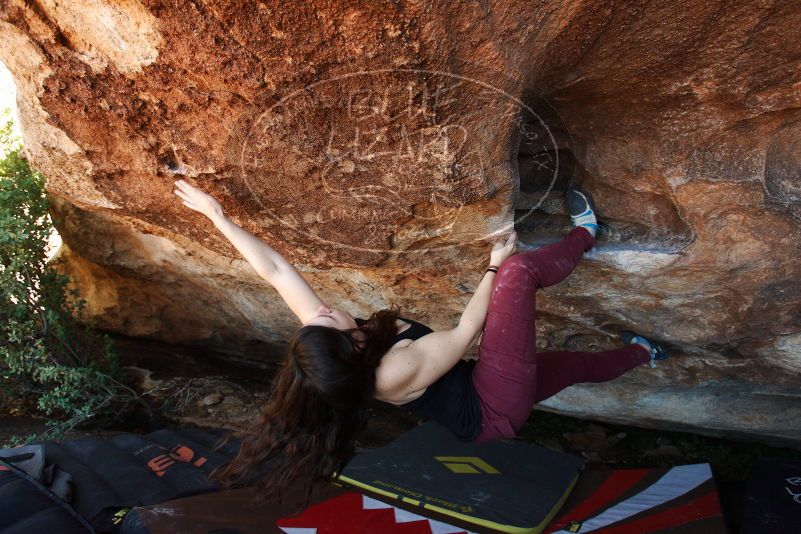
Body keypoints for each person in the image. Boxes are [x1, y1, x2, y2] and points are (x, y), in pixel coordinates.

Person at [172, 179, 667, 504]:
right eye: (323, 320)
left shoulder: (337, 340)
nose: (319, 311)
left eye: (315, 319)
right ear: (351, 347)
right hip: (493, 408)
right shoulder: (390, 371)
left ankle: (647, 352)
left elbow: (276, 272)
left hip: (481, 389)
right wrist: (495, 263)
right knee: (516, 275)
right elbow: (467, 330)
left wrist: (218, 217)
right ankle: (587, 233)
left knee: (576, 367)